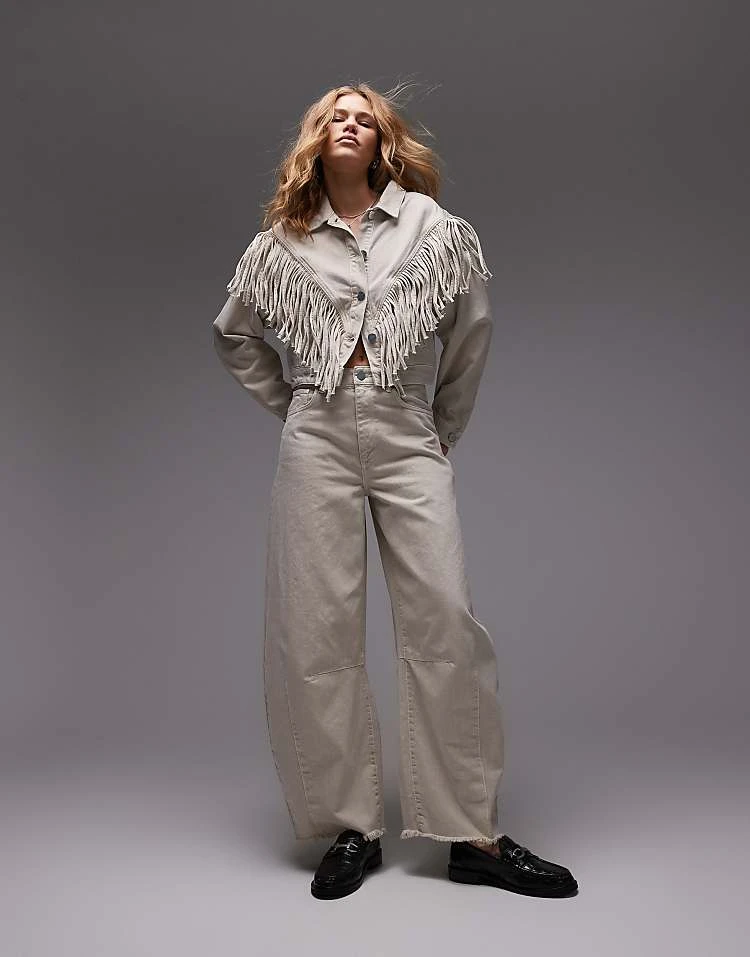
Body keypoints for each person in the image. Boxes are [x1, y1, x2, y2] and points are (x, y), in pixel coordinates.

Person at [212, 83, 578, 901]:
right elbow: (233, 334)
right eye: (335, 116)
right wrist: (296, 402)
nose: (350, 124)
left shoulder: (431, 228)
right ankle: (353, 827)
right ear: (316, 138)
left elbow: (472, 331)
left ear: (384, 140)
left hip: (408, 428)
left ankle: (474, 834)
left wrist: (438, 424)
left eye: (364, 117)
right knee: (318, 630)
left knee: (445, 619)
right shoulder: (283, 239)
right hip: (316, 436)